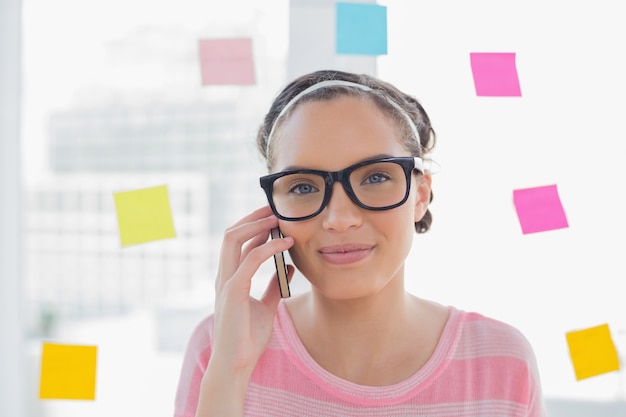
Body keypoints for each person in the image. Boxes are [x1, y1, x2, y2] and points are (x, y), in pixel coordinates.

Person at [174, 69, 546, 417]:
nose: (339, 219)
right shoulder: (219, 346)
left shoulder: (502, 363)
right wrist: (231, 373)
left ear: (419, 196)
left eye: (375, 177)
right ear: (273, 208)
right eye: (303, 186)